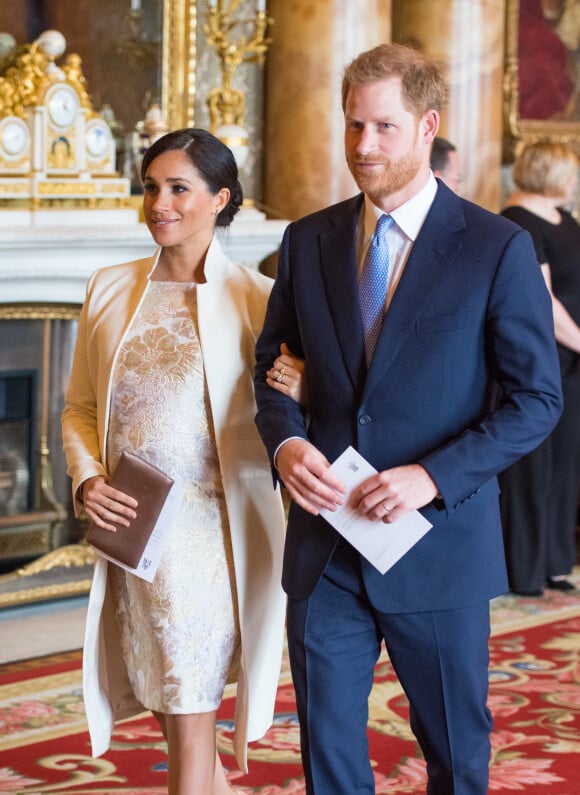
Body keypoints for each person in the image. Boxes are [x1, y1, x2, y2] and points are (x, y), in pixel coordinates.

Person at [253, 43, 563, 795]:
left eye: (384, 128)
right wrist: (287, 440)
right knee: (328, 756)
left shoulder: (497, 247)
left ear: (427, 126)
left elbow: (536, 400)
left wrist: (432, 476)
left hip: (439, 546)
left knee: (456, 757)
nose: (364, 147)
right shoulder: (308, 239)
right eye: (354, 125)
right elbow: (272, 372)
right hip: (326, 546)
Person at [61, 128, 287, 795]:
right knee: (165, 697)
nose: (159, 202)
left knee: (190, 709)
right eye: (151, 187)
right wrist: (87, 479)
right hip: (133, 534)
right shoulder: (109, 287)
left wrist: (302, 385)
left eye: (178, 188)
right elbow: (78, 408)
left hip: (209, 537)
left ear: (220, 198)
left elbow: (296, 403)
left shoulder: (257, 298)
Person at [499, 141, 580, 596]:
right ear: (549, 172)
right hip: (545, 359)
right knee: (535, 467)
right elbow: (543, 304)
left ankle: (555, 560)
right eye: (569, 173)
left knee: (566, 464)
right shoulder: (518, 223)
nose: (573, 182)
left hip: (574, 364)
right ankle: (524, 567)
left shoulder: (565, 219)